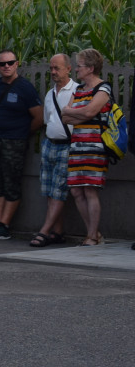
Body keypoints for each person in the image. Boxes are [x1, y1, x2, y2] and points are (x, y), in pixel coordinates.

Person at [0, 49, 42, 240]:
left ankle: (5, 225)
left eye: (10, 62)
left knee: (11, 182)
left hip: (14, 142)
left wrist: (21, 134)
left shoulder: (25, 88)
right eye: (2, 64)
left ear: (17, 64)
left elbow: (38, 117)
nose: (7, 66)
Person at [61, 48, 112, 247]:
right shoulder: (79, 90)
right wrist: (76, 113)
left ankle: (91, 236)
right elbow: (65, 117)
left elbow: (91, 111)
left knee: (90, 190)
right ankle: (94, 233)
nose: (76, 70)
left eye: (79, 66)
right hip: (77, 146)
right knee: (76, 191)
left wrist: (74, 111)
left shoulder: (103, 89)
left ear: (90, 68)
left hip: (95, 147)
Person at [30, 54, 78, 247]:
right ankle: (57, 231)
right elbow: (47, 119)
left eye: (57, 68)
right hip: (50, 143)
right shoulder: (50, 93)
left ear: (69, 68)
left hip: (67, 144)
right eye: (51, 68)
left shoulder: (77, 91)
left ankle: (44, 230)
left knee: (59, 189)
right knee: (49, 188)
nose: (53, 72)